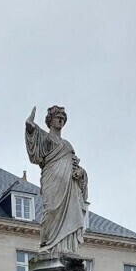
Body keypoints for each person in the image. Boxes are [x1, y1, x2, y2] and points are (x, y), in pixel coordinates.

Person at [25, 105, 89, 255]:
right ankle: (47, 245)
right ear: (50, 120)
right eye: (58, 117)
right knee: (51, 210)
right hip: (52, 180)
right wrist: (29, 127)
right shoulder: (45, 138)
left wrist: (80, 173)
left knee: (70, 214)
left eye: (63, 118)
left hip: (68, 186)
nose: (61, 120)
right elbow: (35, 151)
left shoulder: (67, 145)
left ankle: (66, 247)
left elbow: (75, 166)